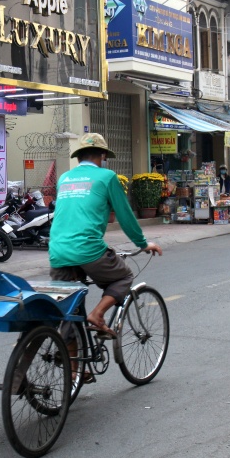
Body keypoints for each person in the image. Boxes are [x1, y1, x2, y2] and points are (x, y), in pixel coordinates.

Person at [49, 133, 162, 339]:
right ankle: (97, 314)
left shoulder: (64, 178)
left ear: (78, 157)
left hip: (58, 251)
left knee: (69, 310)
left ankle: (75, 369)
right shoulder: (107, 176)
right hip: (88, 249)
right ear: (102, 156)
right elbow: (125, 215)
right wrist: (143, 243)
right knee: (124, 276)